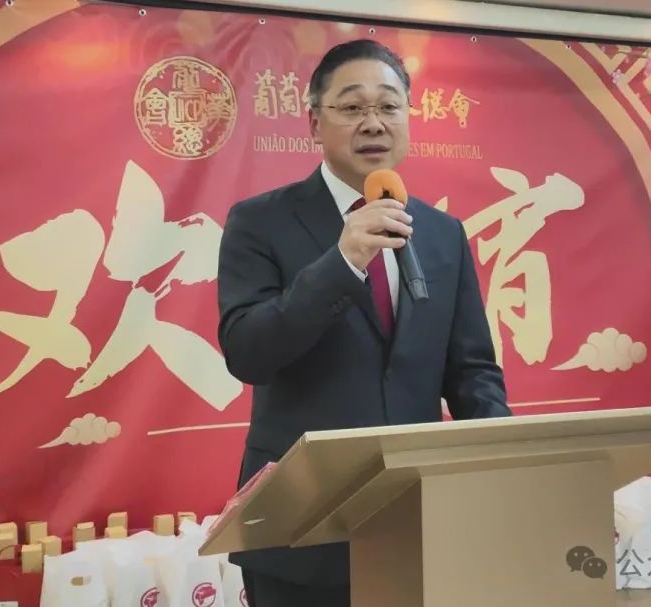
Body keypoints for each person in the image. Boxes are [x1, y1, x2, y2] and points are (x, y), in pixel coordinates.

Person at [216, 38, 512, 607]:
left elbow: (471, 369)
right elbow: (247, 352)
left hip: (415, 520)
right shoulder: (260, 222)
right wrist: (343, 262)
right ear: (314, 123)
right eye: (352, 107)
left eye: (389, 106)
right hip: (300, 527)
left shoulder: (442, 233)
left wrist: (508, 455)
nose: (373, 123)